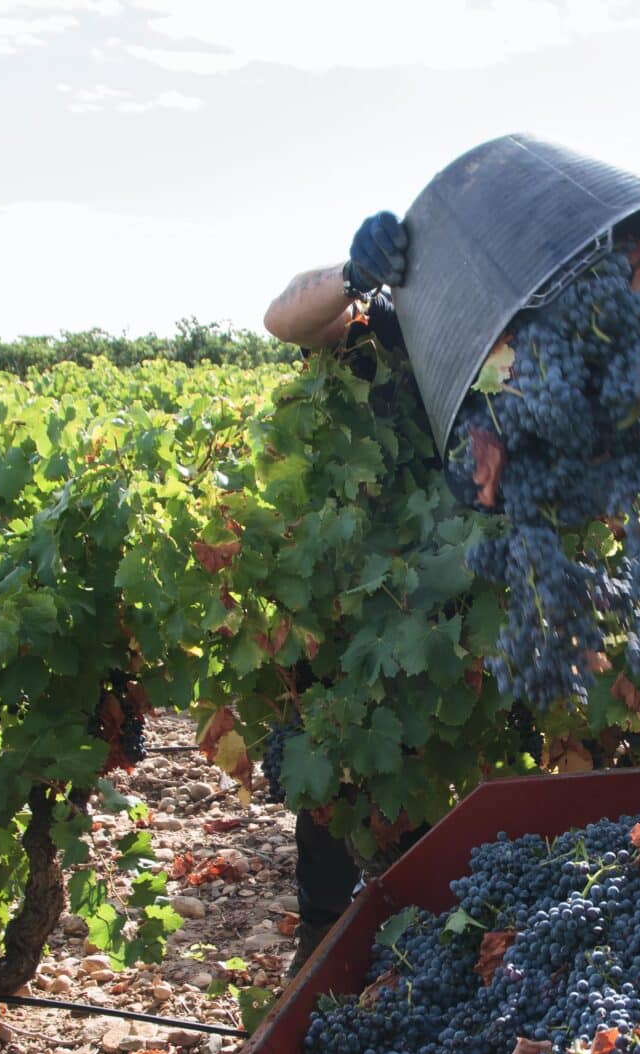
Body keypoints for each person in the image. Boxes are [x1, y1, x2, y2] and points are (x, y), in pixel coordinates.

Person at [263, 212, 419, 973]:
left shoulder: (515, 353)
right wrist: (355, 274)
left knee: (433, 800)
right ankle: (324, 952)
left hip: (443, 611)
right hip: (345, 595)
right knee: (329, 765)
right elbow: (282, 313)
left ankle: (424, 950)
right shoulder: (374, 324)